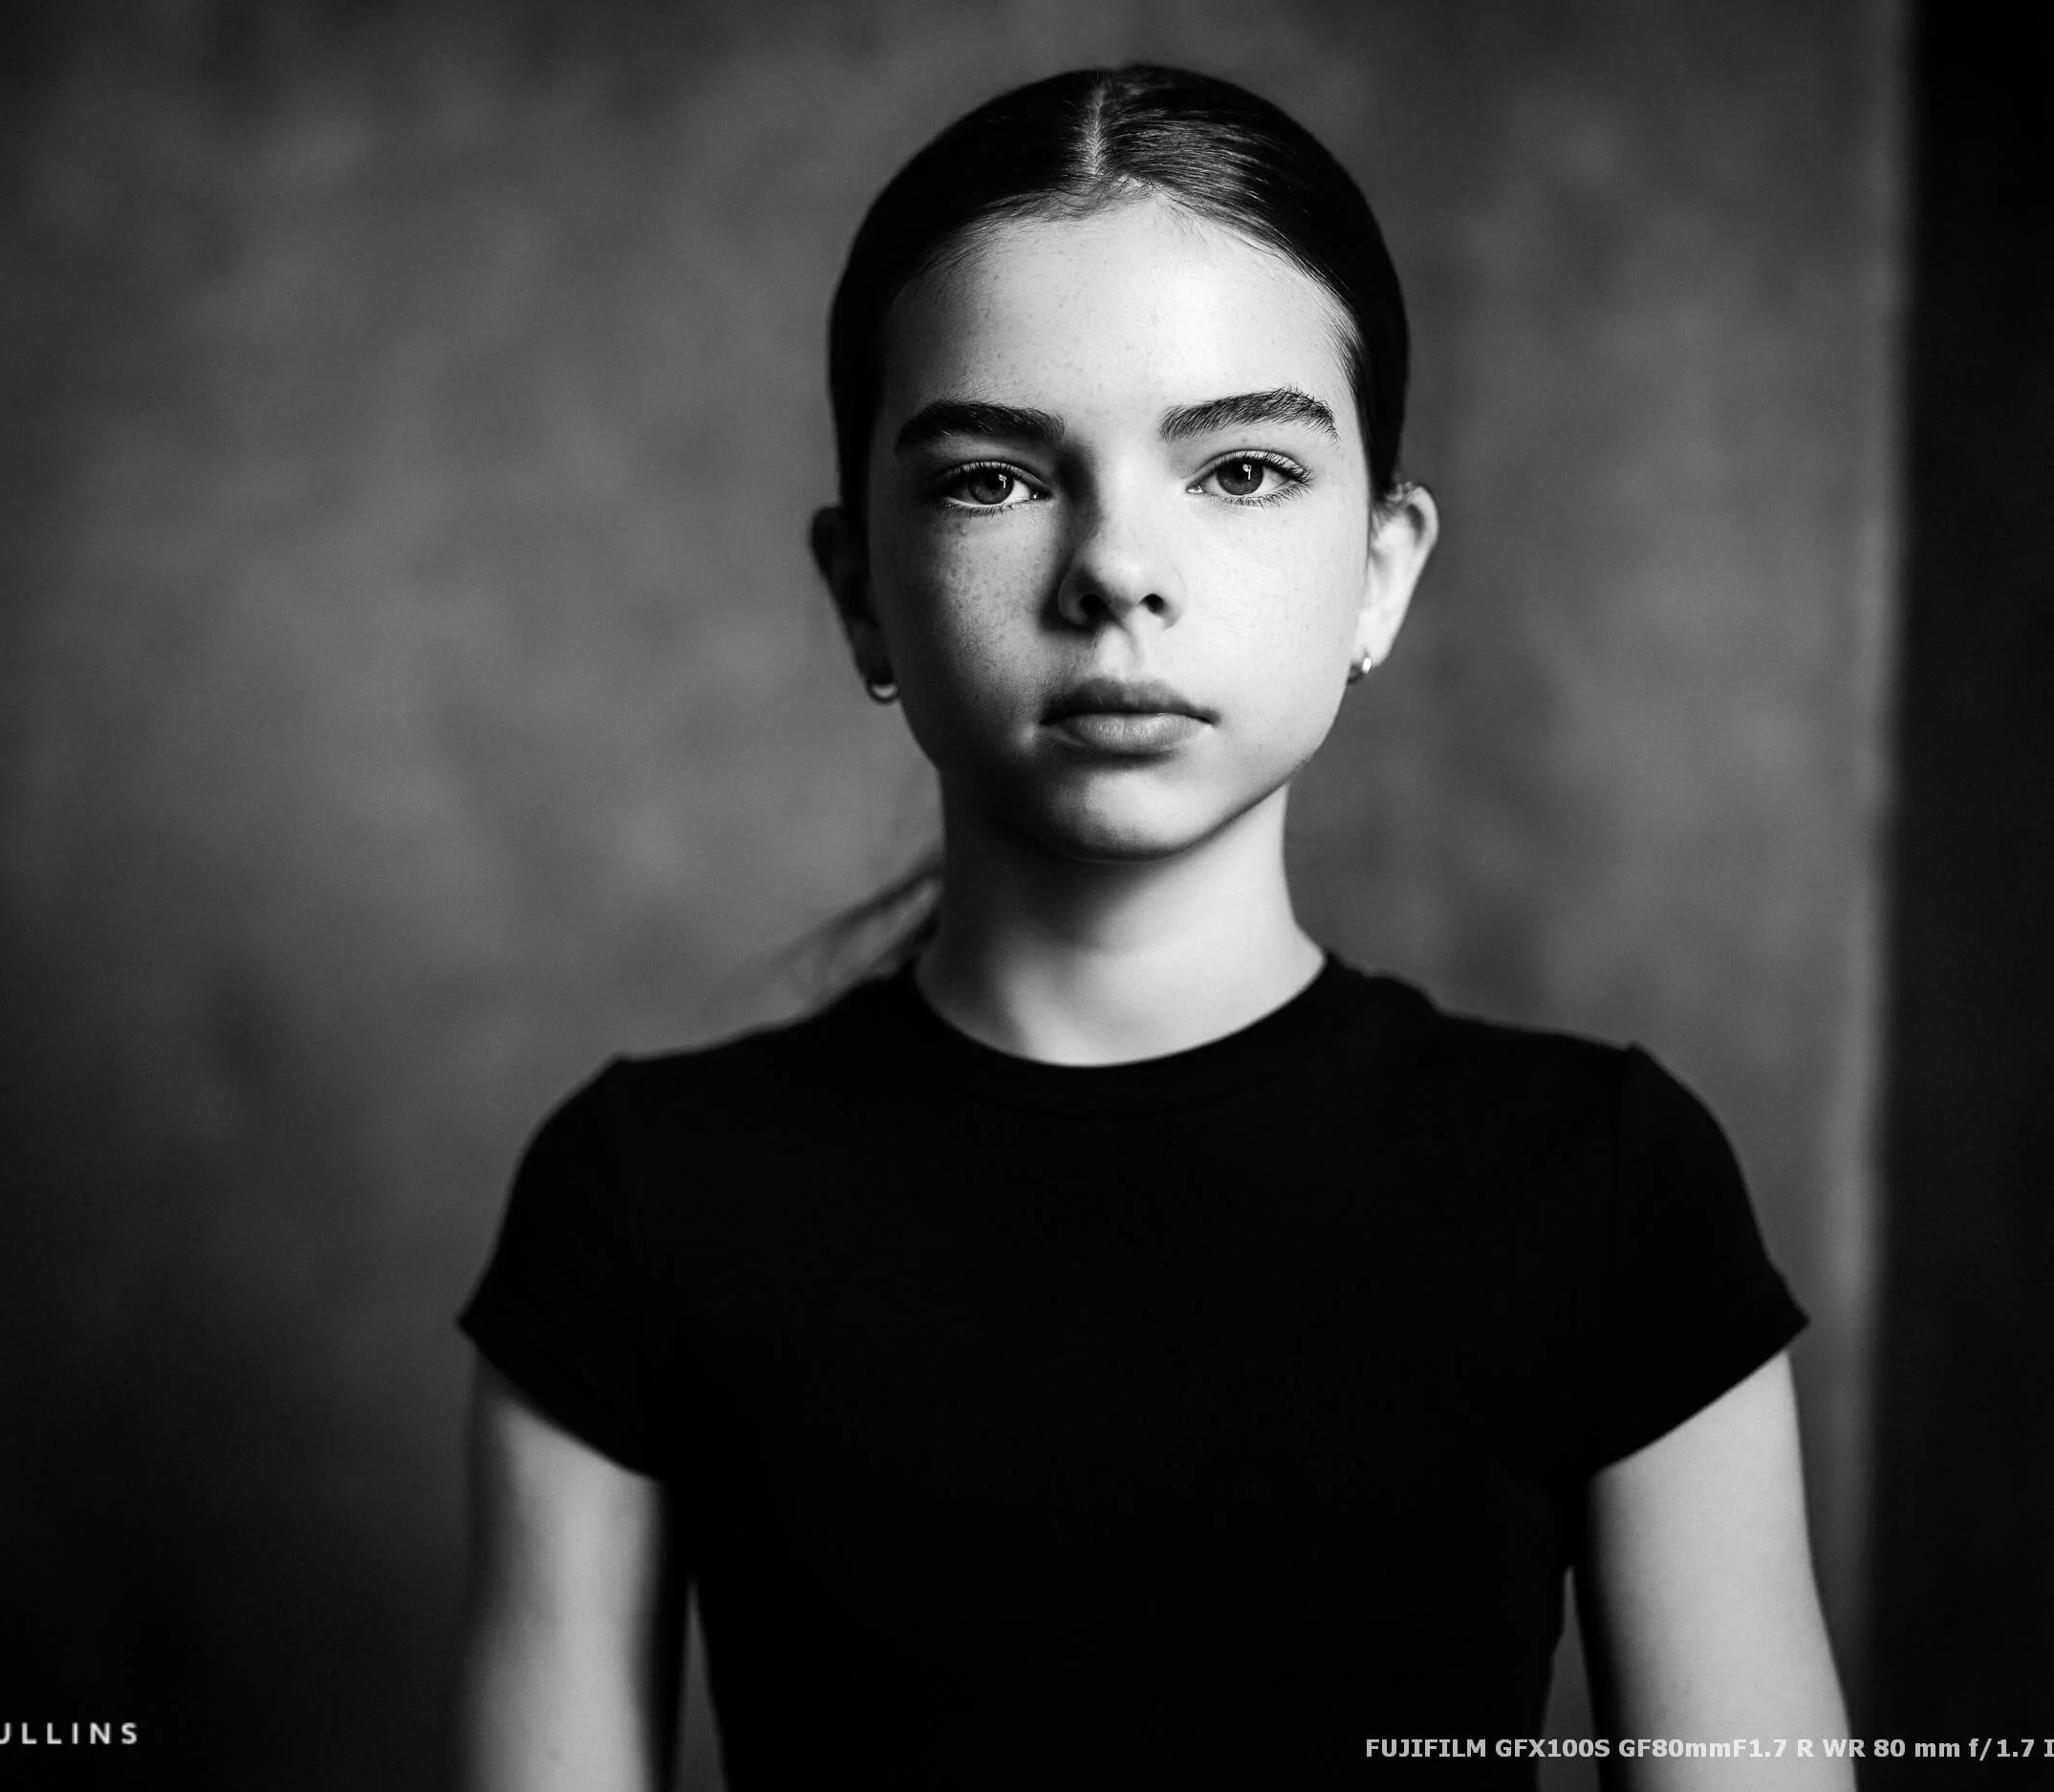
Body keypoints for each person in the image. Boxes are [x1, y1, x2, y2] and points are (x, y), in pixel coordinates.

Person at [447, 63, 1851, 1791]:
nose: (1120, 565)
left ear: (1382, 572)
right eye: (990, 479)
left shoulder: (1608, 1185)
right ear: (857, 592)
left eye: (1244, 468)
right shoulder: (640, 1203)